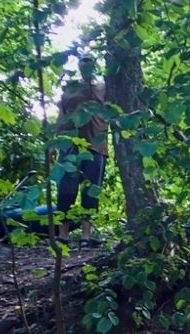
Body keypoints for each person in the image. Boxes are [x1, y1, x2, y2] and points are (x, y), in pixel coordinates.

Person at [52, 53, 108, 246]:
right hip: (70, 145)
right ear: (78, 66)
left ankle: (85, 237)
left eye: (90, 63)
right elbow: (61, 115)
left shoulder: (103, 87)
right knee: (66, 190)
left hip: (96, 145)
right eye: (83, 63)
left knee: (91, 191)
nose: (87, 66)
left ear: (95, 66)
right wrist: (53, 142)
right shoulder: (70, 88)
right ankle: (63, 235)